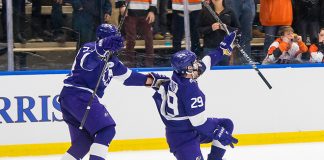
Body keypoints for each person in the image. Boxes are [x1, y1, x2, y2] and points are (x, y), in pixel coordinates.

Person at [59, 23, 168, 160]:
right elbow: (87, 64)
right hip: (79, 95)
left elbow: (129, 78)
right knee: (106, 130)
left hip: (72, 99)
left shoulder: (113, 62)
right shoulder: (89, 48)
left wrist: (154, 82)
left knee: (84, 142)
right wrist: (102, 47)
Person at [152, 31, 238, 160]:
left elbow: (206, 63)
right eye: (193, 63)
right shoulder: (189, 90)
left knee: (226, 124)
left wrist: (222, 49)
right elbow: (200, 123)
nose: (197, 64)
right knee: (221, 129)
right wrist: (216, 132)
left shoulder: (178, 76)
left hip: (188, 129)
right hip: (183, 138)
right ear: (187, 69)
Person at [115, 0, 157, 67]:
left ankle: (149, 64)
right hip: (129, 12)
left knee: (149, 39)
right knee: (131, 40)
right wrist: (121, 5)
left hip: (146, 12)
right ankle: (130, 64)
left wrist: (152, 10)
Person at [198, 0, 239, 65]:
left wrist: (226, 28)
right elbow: (199, 29)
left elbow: (237, 30)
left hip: (225, 48)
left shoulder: (230, 11)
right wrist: (211, 28)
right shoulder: (205, 11)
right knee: (209, 72)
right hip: (209, 48)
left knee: (224, 72)